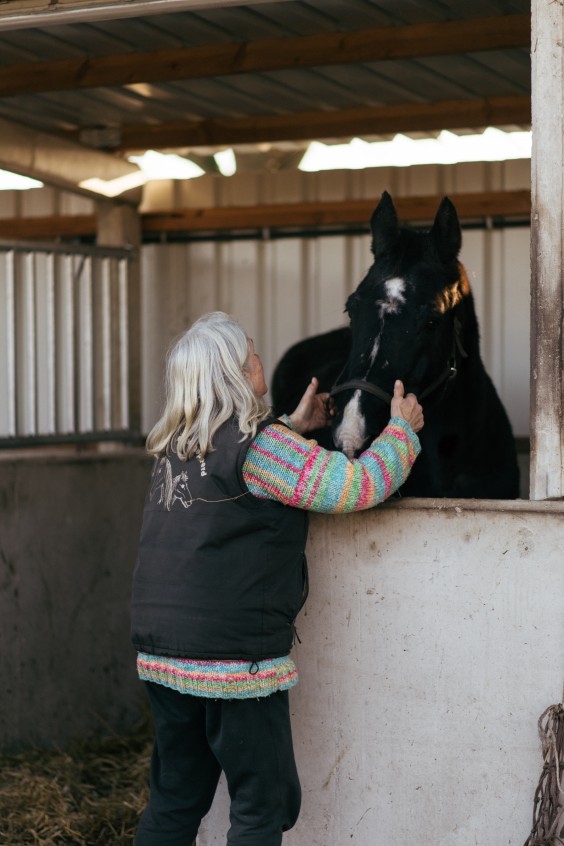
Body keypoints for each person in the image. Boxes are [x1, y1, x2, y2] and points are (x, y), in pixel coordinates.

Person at [131, 311, 423, 846]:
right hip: (234, 663)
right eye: (252, 353)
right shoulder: (264, 447)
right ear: (238, 372)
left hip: (163, 656)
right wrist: (401, 433)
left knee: (174, 799)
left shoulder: (174, 447)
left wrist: (292, 424)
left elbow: (234, 473)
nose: (259, 359)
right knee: (261, 806)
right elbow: (353, 487)